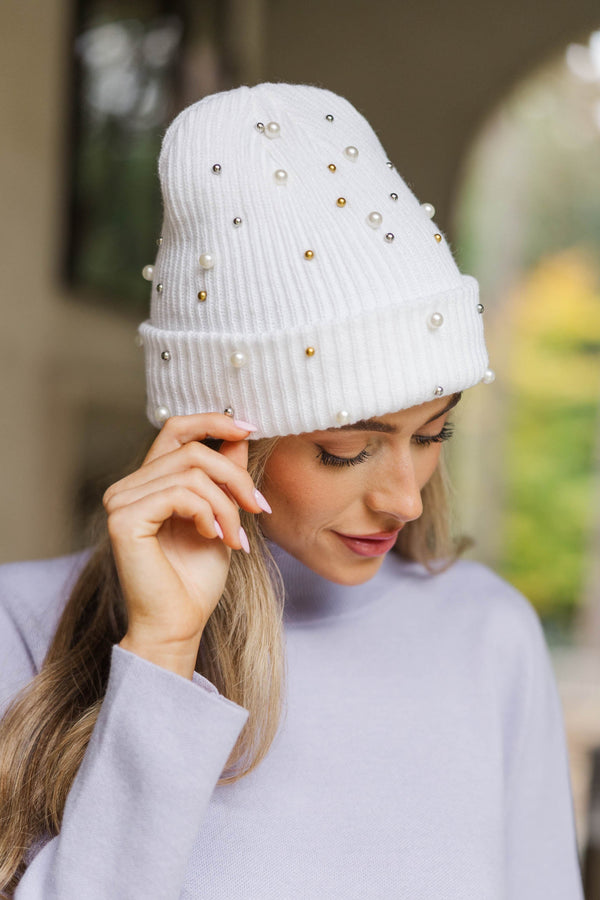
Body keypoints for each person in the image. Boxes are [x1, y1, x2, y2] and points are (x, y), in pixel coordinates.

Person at [0, 82, 584, 899]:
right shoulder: (21, 627)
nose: (406, 499)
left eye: (432, 435)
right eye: (348, 449)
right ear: (219, 441)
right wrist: (162, 654)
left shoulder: (490, 636)